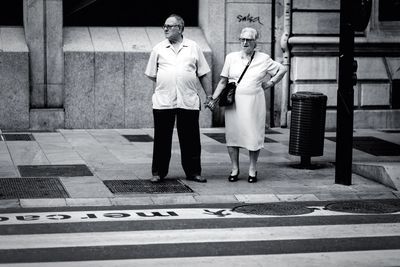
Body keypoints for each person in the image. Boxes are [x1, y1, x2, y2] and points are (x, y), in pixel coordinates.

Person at [206, 27, 287, 183]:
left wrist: (270, 83)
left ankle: (252, 169)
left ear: (255, 41)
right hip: (233, 103)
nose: (245, 42)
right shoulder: (231, 57)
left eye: (249, 40)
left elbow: (282, 69)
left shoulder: (263, 59)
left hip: (253, 103)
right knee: (233, 136)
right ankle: (235, 169)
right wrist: (213, 99)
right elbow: (223, 81)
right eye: (242, 39)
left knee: (253, 135)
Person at [145, 14, 211, 183]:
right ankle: (158, 172)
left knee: (191, 139)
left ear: (180, 28)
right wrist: (170, 81)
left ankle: (193, 172)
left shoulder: (193, 47)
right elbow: (153, 74)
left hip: (188, 100)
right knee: (161, 139)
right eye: (164, 26)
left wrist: (209, 95)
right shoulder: (158, 49)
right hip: (164, 101)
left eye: (170, 26)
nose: (165, 28)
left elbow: (203, 73)